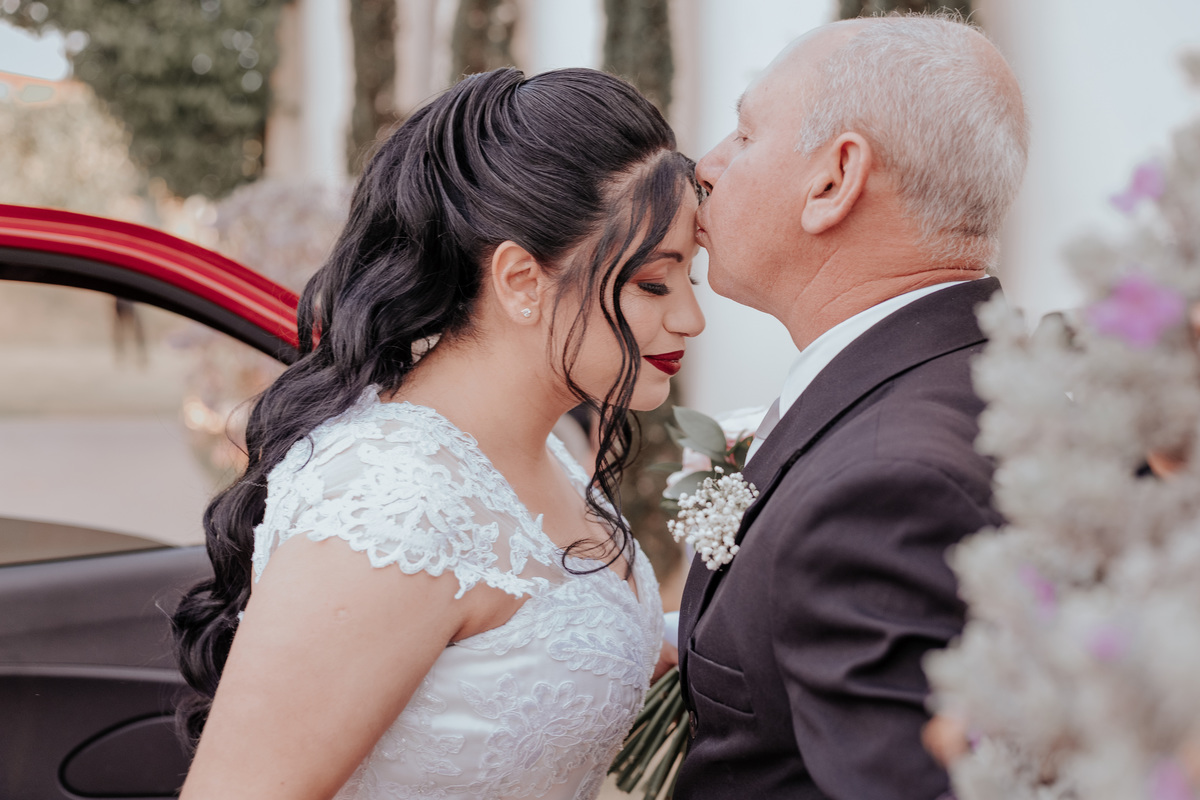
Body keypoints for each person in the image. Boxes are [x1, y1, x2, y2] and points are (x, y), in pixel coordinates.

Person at [172, 67, 705, 800]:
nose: (690, 319)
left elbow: (528, 653)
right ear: (521, 281)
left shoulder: (541, 451)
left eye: (691, 280)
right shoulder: (396, 502)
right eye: (653, 283)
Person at [676, 15, 1027, 799]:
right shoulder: (982, 383)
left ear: (835, 180)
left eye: (745, 133)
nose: (707, 166)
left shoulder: (889, 484)